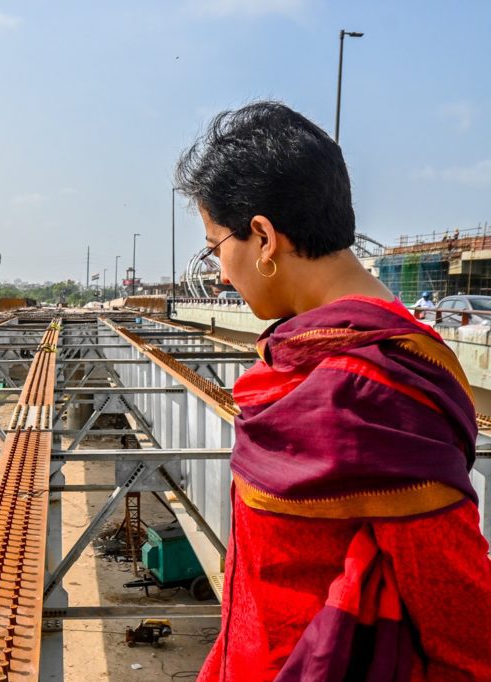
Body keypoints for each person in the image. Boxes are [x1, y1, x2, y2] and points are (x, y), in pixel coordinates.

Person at [174, 101, 491, 680]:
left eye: (215, 247)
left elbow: (462, 628)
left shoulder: (378, 390)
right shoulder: (346, 362)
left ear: (263, 237)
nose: (220, 273)